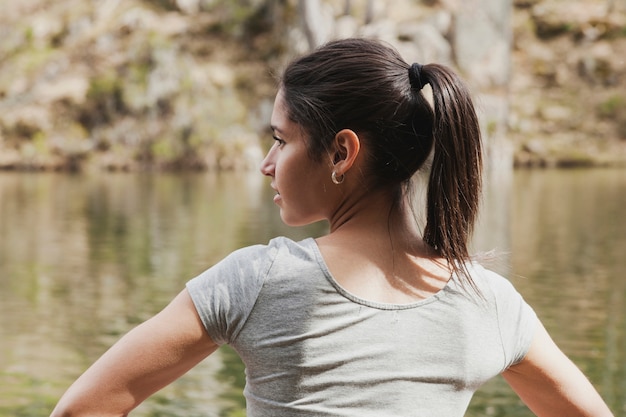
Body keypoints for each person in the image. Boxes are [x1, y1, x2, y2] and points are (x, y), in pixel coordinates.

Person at [50, 38, 613, 417]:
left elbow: (81, 409)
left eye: (280, 139)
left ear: (342, 152)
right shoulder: (488, 302)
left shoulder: (258, 281)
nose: (266, 164)